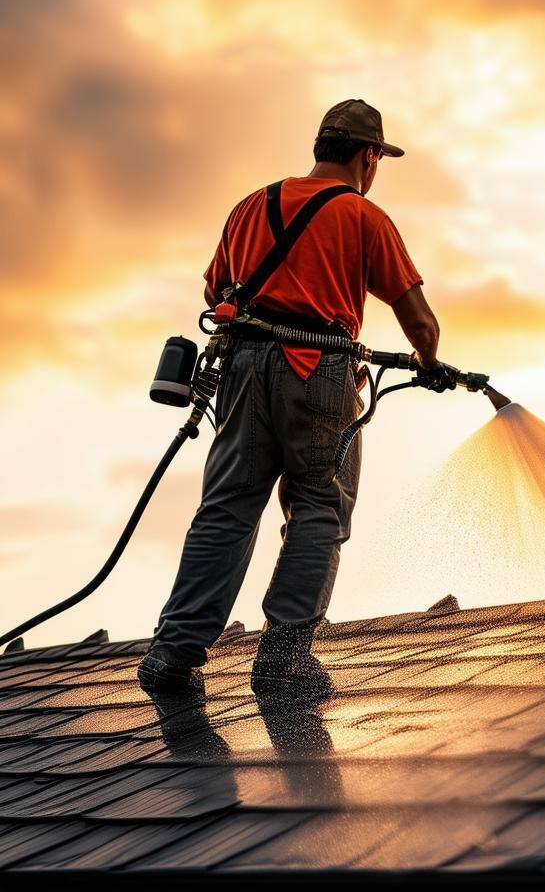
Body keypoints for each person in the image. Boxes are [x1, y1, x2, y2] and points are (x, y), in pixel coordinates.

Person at [138, 99, 452, 697]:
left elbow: (215, 286)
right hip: (319, 372)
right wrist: (428, 364)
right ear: (368, 156)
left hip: (239, 367)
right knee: (318, 507)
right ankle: (282, 657)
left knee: (227, 507)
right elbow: (423, 325)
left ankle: (172, 653)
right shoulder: (363, 216)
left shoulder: (251, 205)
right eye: (377, 158)